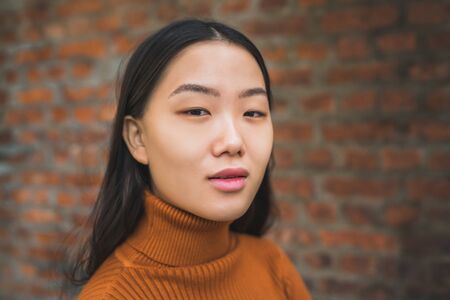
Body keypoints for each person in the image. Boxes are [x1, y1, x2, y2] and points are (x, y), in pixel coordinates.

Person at [67, 18, 311, 299]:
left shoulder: (272, 266)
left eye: (253, 112)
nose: (233, 142)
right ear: (138, 138)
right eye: (197, 111)